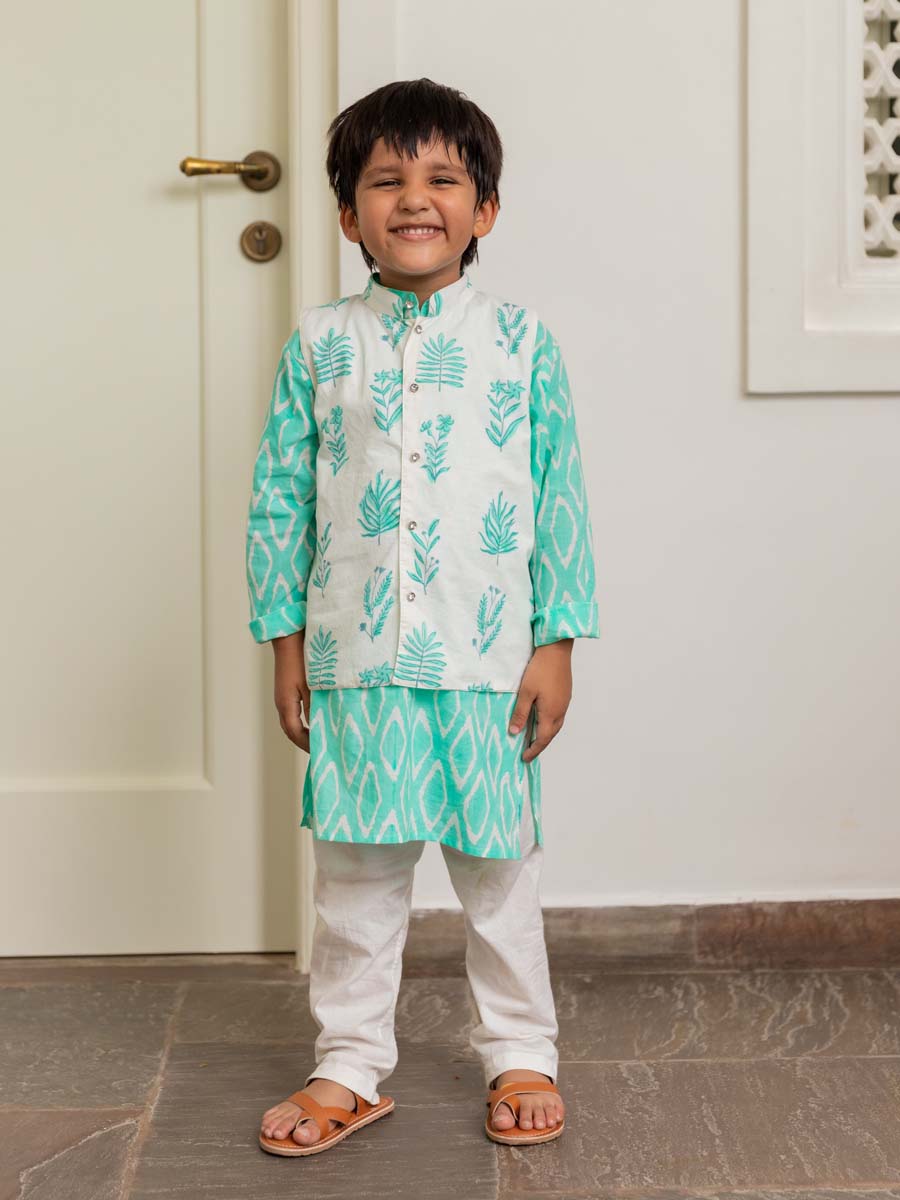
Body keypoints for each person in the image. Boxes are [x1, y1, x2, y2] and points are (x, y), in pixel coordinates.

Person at [247, 77, 600, 1157]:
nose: (413, 198)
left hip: (491, 662)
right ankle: (349, 1064)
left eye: (443, 178)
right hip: (355, 657)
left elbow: (561, 496)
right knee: (355, 878)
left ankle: (521, 1050)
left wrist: (556, 642)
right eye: (384, 180)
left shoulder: (524, 343)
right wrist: (286, 643)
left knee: (500, 873)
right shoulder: (319, 345)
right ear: (346, 213)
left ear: (484, 208)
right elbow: (279, 499)